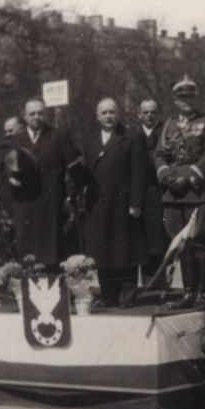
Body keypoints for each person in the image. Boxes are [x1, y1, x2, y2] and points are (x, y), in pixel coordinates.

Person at [154, 76, 205, 309]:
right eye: (182, 97)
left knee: (199, 242)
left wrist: (190, 176)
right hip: (173, 193)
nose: (187, 101)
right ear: (175, 100)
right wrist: (166, 176)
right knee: (180, 243)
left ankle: (202, 293)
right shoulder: (169, 125)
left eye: (191, 96)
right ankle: (188, 293)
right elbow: (160, 154)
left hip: (196, 189)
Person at [78, 98, 147, 308]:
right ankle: (108, 296)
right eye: (104, 113)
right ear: (98, 117)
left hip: (122, 204)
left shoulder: (131, 136)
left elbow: (138, 172)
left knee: (124, 249)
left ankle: (127, 295)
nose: (108, 116)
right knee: (102, 251)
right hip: (98, 204)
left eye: (112, 112)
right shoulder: (89, 140)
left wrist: (136, 202)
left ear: (118, 115)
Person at [6, 97, 79, 268]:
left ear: (45, 114)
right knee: (27, 249)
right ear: (24, 116)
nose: (36, 117)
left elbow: (73, 167)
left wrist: (69, 196)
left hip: (50, 203)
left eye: (40, 113)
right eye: (32, 113)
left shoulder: (59, 135)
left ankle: (52, 286)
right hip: (26, 202)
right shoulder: (16, 140)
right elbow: (8, 168)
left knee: (51, 250)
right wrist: (11, 180)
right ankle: (29, 286)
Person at [134, 99, 167, 285]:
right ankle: (146, 282)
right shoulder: (134, 134)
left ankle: (160, 281)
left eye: (152, 112)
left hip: (158, 192)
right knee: (142, 240)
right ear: (139, 114)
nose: (149, 116)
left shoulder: (164, 133)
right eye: (145, 112)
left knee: (159, 239)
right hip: (140, 193)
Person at [0, 116, 24, 218]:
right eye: (6, 131)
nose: (7, 134)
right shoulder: (3, 147)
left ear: (22, 129)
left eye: (11, 131)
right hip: (9, 193)